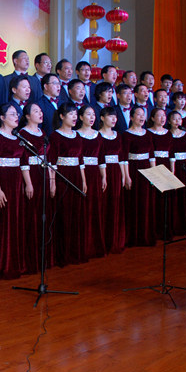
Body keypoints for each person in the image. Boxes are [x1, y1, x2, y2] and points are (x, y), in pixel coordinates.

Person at [0, 103, 27, 278]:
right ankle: (3, 264)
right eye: (12, 114)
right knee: (4, 222)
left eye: (17, 114)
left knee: (16, 220)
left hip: (16, 180)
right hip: (3, 180)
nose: (16, 117)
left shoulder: (18, 136)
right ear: (2, 117)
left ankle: (15, 262)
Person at [47, 102, 86, 266]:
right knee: (63, 214)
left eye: (76, 114)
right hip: (62, 177)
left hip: (76, 176)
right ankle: (62, 254)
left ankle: (75, 252)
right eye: (71, 114)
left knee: (76, 215)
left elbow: (81, 161)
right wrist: (53, 182)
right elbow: (52, 161)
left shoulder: (77, 136)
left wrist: (83, 180)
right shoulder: (55, 136)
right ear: (62, 116)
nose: (74, 117)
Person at [18, 102, 50, 271]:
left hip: (43, 174)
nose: (40, 113)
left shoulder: (42, 133)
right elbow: (23, 160)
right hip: (31, 175)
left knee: (43, 215)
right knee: (31, 215)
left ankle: (42, 256)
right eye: (36, 111)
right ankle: (30, 258)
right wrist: (28, 183)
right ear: (27, 116)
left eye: (41, 111)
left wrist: (51, 179)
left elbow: (48, 157)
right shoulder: (23, 134)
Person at [122, 106, 156, 247]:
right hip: (133, 170)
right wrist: (126, 176)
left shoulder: (148, 134)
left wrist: (154, 174)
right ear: (131, 117)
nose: (142, 117)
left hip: (147, 170)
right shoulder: (126, 135)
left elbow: (152, 156)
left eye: (143, 114)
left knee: (146, 202)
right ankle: (133, 237)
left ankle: (146, 235)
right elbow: (124, 157)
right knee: (134, 202)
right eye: (138, 114)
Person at [77, 105, 106, 259]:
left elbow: (101, 158)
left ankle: (94, 244)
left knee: (95, 208)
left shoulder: (98, 135)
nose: (92, 117)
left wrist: (104, 176)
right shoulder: (76, 135)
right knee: (82, 208)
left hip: (95, 174)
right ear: (81, 117)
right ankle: (83, 245)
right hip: (81, 173)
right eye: (88, 114)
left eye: (93, 114)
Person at [98, 107, 126, 253]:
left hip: (116, 171)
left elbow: (121, 158)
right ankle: (103, 240)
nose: (114, 119)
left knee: (115, 204)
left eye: (115, 116)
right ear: (102, 118)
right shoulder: (97, 135)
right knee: (103, 205)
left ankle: (115, 239)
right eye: (110, 116)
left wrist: (124, 175)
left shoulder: (118, 136)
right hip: (102, 172)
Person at [168, 110, 186, 236]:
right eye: (174, 119)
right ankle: (173, 225)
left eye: (179, 119)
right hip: (172, 167)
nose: (177, 121)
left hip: (183, 167)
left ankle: (185, 226)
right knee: (173, 196)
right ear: (169, 121)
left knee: (184, 195)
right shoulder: (167, 135)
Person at [147, 107, 172, 239]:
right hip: (153, 165)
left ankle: (165, 229)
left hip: (165, 165)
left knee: (165, 199)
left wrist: (172, 170)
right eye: (159, 116)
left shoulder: (168, 133)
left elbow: (171, 153)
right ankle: (153, 229)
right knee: (153, 198)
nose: (162, 118)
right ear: (152, 118)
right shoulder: (148, 133)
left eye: (164, 116)